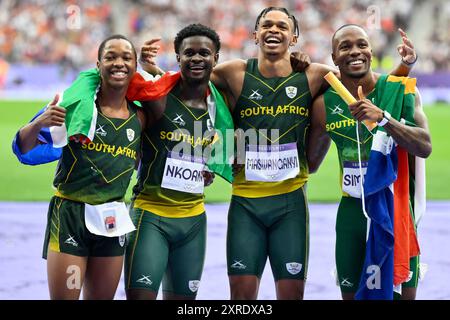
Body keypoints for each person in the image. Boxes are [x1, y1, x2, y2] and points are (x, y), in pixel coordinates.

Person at [140, 7, 417, 300]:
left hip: (291, 205)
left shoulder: (315, 75)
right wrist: (155, 70)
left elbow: (363, 82)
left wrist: (404, 68)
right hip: (246, 203)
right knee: (242, 299)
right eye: (267, 25)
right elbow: (190, 80)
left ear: (294, 37)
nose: (274, 30)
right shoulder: (233, 73)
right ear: (255, 34)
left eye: (282, 26)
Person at [14, 34, 145, 299]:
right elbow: (23, 148)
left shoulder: (140, 116)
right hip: (71, 216)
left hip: (112, 219)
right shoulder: (75, 109)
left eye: (126, 58)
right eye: (110, 57)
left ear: (134, 66)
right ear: (98, 65)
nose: (118, 63)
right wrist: (40, 123)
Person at [307, 24, 432, 300]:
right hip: (352, 212)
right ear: (334, 57)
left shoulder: (400, 91)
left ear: (372, 51)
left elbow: (424, 146)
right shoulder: (324, 105)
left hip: (395, 210)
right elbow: (311, 163)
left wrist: (384, 119)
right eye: (345, 46)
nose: (355, 51)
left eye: (362, 44)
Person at [124, 23, 219, 300]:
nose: (197, 58)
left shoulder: (220, 107)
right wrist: (138, 65)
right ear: (178, 58)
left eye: (205, 53)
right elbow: (119, 85)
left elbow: (213, 150)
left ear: (216, 58)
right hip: (151, 216)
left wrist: (207, 170)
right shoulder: (159, 98)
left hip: (193, 221)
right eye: (189, 53)